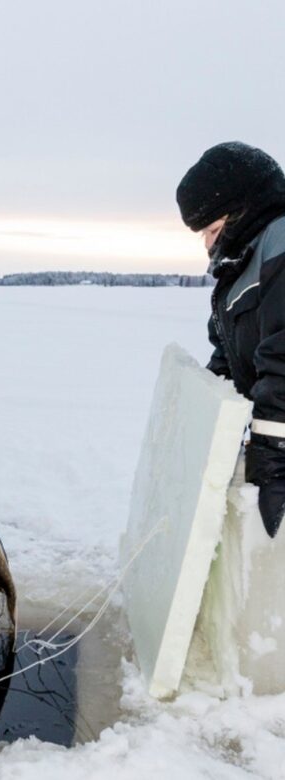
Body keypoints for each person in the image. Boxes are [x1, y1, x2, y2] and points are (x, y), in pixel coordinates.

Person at [176, 141, 285, 538]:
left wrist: (274, 447)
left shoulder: (280, 245)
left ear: (244, 210)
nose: (208, 243)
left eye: (213, 229)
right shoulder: (241, 267)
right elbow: (228, 355)